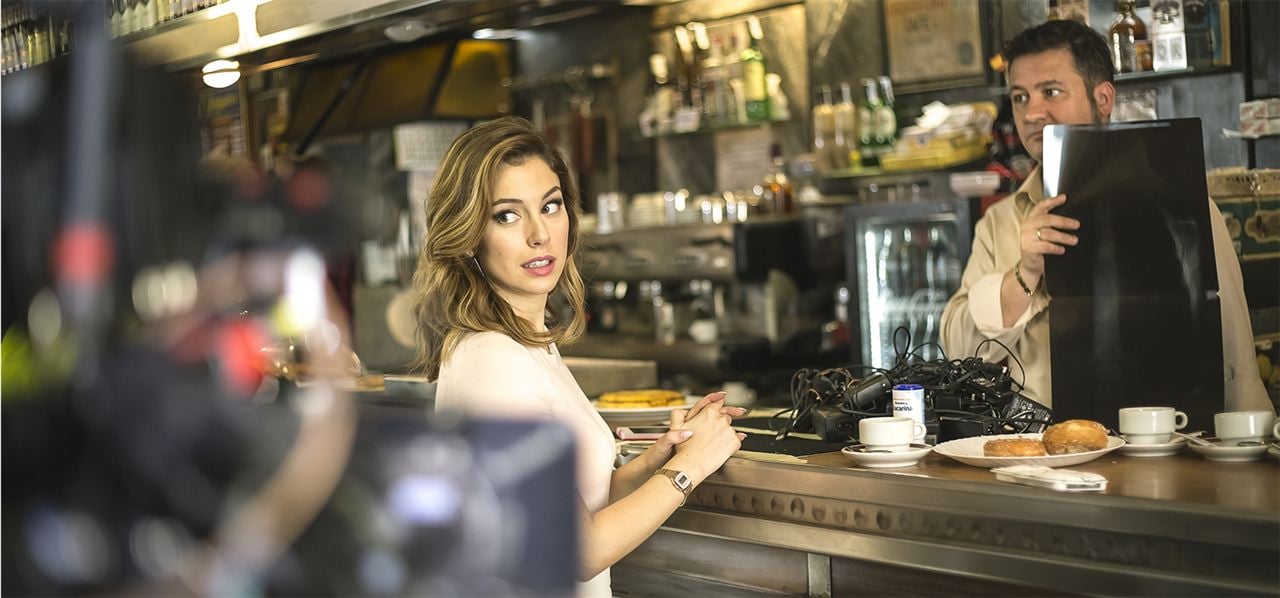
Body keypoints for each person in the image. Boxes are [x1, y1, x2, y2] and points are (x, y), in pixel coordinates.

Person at [410, 116, 745, 596]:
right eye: (506, 215)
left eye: (550, 206)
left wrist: (657, 461)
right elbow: (578, 549)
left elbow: (574, 503)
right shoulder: (492, 360)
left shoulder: (527, 343)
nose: (539, 234)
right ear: (468, 236)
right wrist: (690, 467)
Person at [939, 19, 1271, 412]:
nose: (1031, 113)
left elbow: (1231, 357)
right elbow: (956, 350)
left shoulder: (1180, 205)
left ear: (1103, 99)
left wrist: (1248, 448)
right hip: (1036, 454)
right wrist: (1023, 275)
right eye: (1020, 97)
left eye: (1050, 91)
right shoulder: (1000, 223)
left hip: (1163, 444)